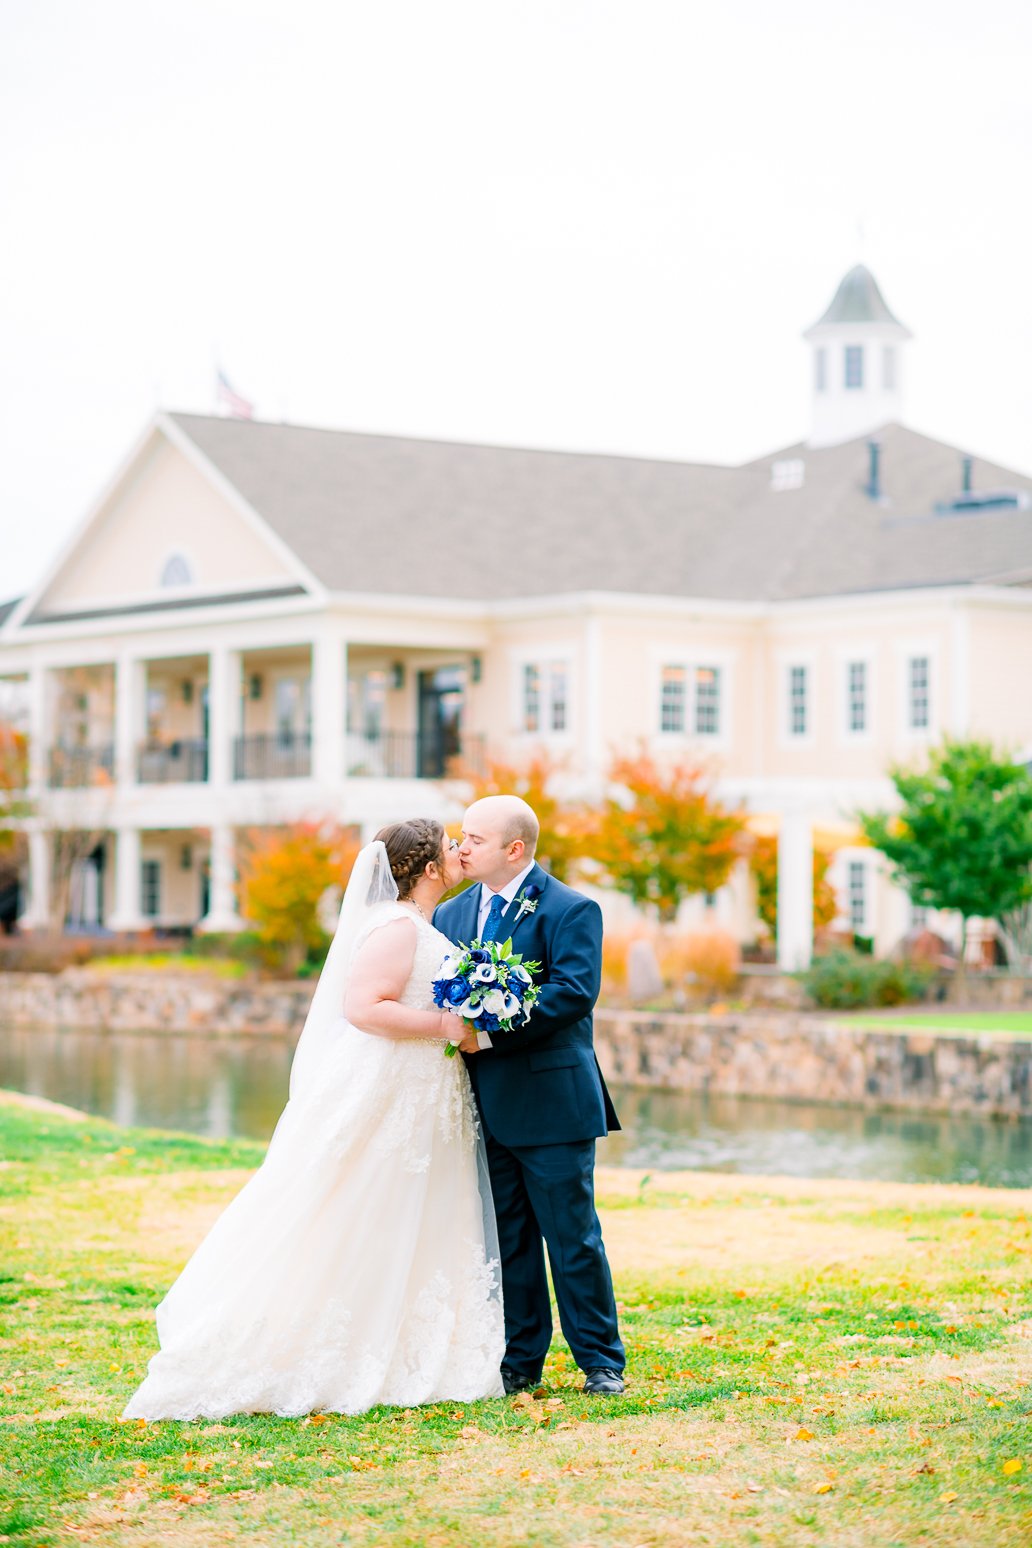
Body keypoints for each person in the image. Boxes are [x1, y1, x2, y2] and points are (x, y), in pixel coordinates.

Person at [123, 820, 505, 1420]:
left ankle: (410, 1335)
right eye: (449, 848)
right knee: (362, 1202)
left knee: (413, 1208)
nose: (460, 853)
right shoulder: (396, 927)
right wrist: (443, 1026)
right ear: (428, 870)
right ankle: (329, 1343)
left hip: (426, 1088)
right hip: (391, 1085)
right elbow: (362, 1008)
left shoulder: (420, 924)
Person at [433, 794, 625, 1397]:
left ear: (514, 849)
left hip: (552, 1102)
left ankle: (600, 1361)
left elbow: (572, 993)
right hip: (480, 1105)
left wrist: (490, 1033)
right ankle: (520, 1363)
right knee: (508, 1239)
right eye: (461, 837)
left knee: (573, 1239)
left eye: (476, 839)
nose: (462, 848)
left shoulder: (571, 909)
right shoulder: (451, 916)